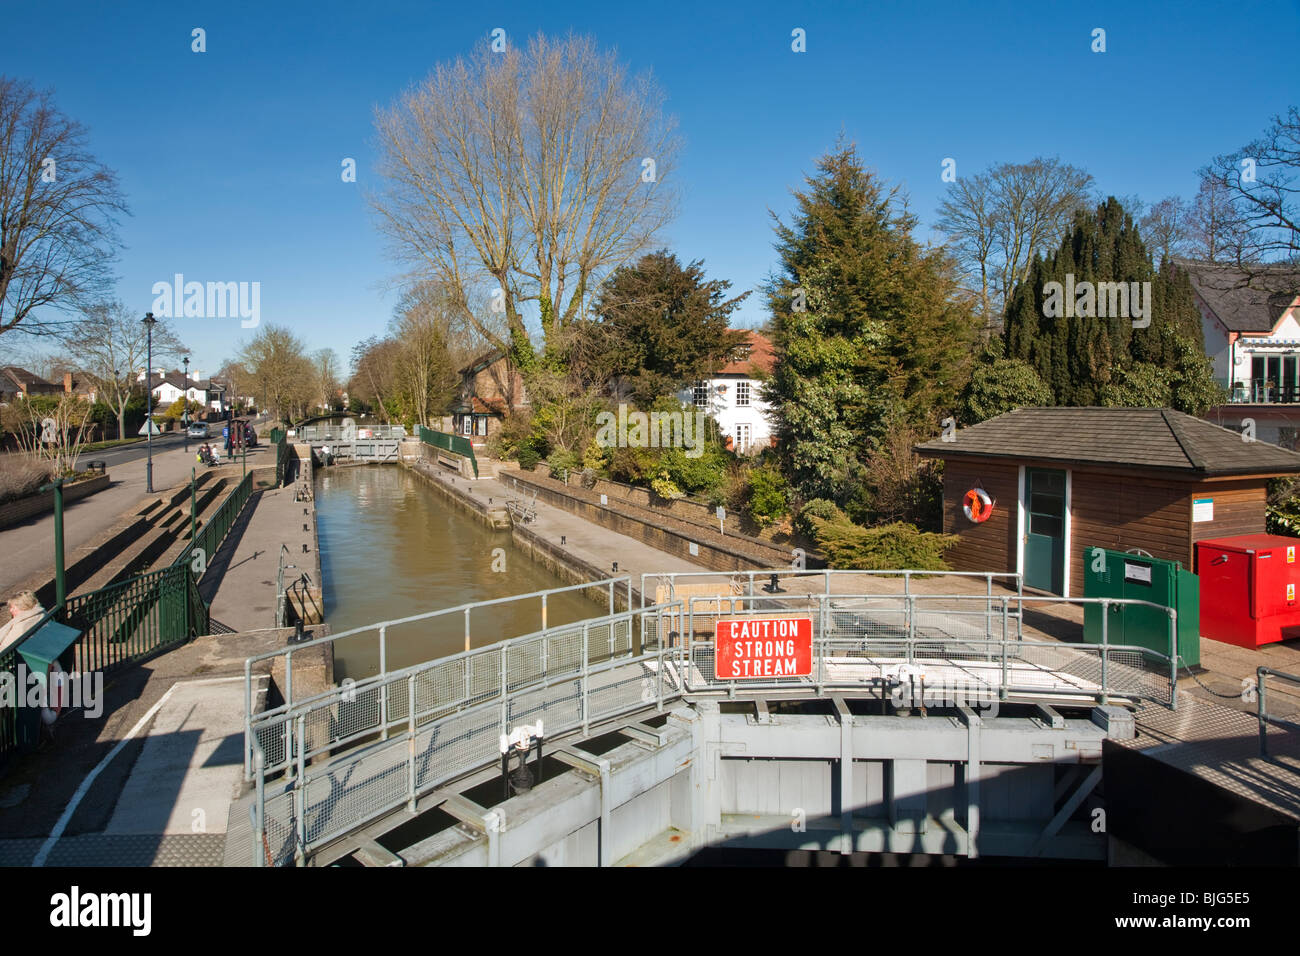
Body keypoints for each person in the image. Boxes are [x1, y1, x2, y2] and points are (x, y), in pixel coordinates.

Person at [0, 590, 45, 655]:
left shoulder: (22, 626)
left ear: (22, 607)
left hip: (23, 660)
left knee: (21, 664)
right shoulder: (41, 614)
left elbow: (5, 648)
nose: (10, 610)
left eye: (13, 607)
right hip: (38, 651)